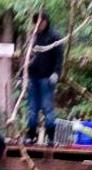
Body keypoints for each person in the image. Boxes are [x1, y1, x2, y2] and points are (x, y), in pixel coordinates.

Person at [24, 10, 62, 146]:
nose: (39, 24)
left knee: (48, 108)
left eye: (41, 22)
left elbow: (59, 57)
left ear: (46, 21)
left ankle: (51, 137)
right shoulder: (33, 37)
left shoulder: (54, 36)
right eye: (37, 22)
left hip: (47, 78)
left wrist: (56, 73)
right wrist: (23, 76)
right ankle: (31, 135)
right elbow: (27, 58)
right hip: (33, 77)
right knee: (32, 109)